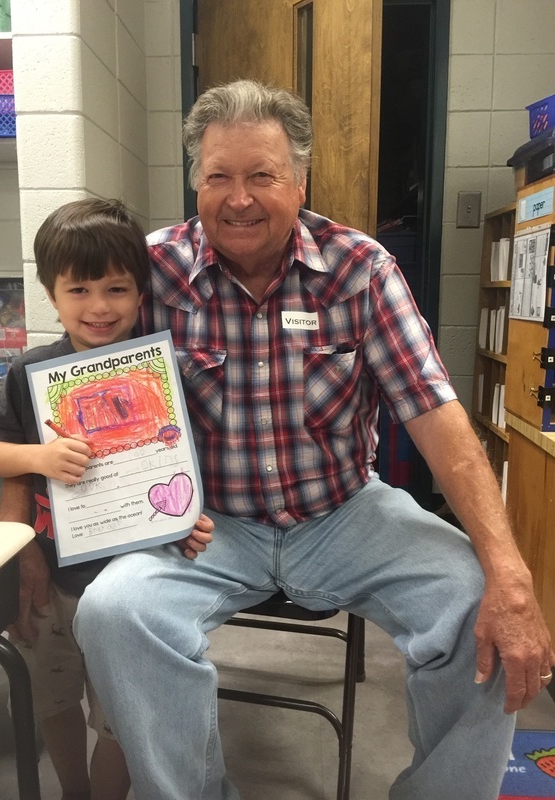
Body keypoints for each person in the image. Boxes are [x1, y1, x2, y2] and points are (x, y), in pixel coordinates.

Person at [72, 81, 554, 800]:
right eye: (219, 176)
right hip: (208, 523)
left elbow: (434, 414)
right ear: (196, 183)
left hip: (345, 512)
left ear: (300, 182)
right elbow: (80, 384)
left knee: (474, 598)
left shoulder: (360, 269)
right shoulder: (149, 272)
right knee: (113, 611)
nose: (239, 198)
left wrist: (510, 572)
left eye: (262, 176)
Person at [0, 199, 214, 800]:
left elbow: (185, 464)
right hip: (52, 575)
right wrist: (38, 458)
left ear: (140, 294)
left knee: (122, 714)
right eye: (79, 289)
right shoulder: (30, 372)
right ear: (51, 296)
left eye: (116, 288)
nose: (99, 306)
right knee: (51, 696)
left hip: (136, 577)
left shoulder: (164, 373)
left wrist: (189, 516)